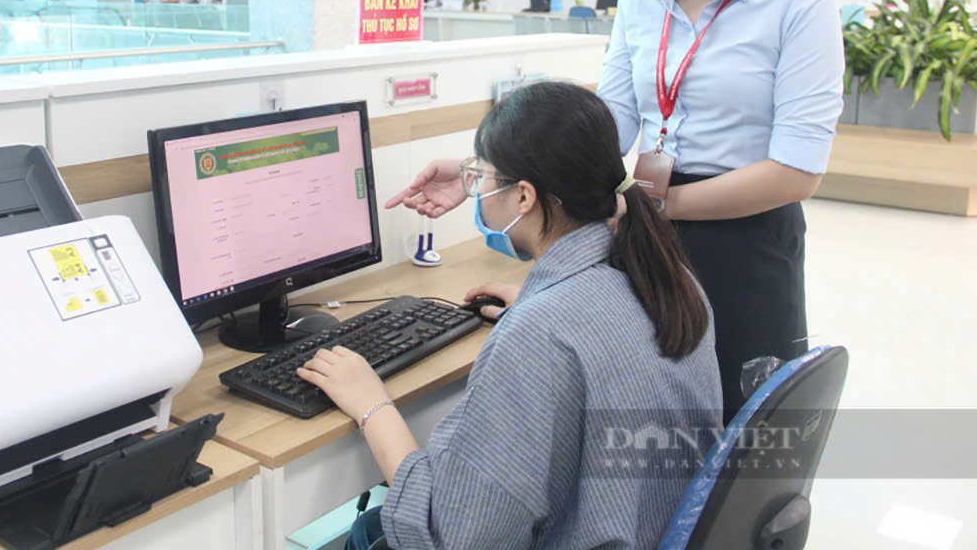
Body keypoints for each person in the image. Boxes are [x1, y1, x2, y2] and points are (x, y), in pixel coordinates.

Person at [301, 81, 722, 550]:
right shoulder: (671, 281)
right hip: (651, 529)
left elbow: (452, 537)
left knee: (372, 532)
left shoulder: (539, 334)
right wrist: (542, 305)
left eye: (481, 177)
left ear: (524, 196)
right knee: (370, 527)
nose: (475, 190)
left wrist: (371, 404)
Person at [599, 0, 844, 421]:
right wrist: (497, 166)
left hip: (745, 237)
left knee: (742, 430)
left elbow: (796, 172)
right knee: (653, 424)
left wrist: (662, 206)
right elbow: (612, 121)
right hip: (648, 235)